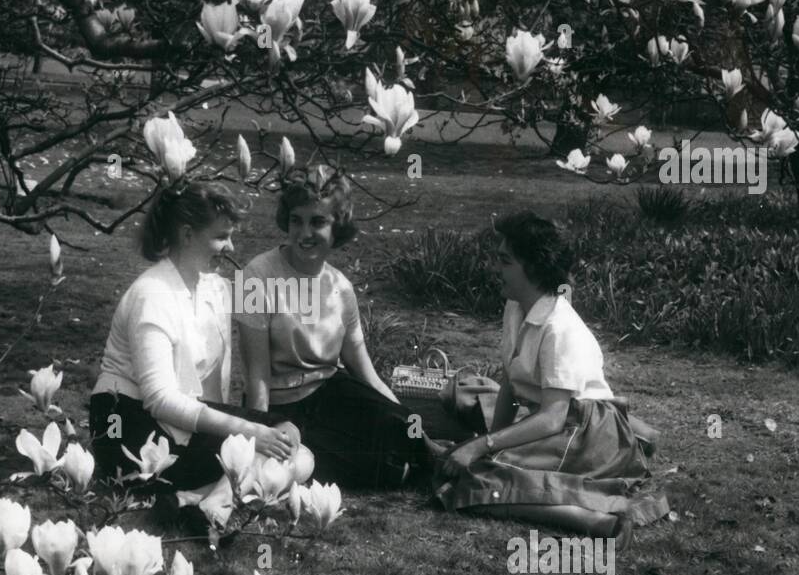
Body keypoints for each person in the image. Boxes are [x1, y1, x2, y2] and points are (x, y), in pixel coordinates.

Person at [431, 211, 669, 547]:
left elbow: (554, 417)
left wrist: (481, 448)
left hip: (587, 431)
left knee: (478, 476)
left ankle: (597, 521)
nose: (494, 268)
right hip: (561, 423)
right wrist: (489, 440)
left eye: (504, 261)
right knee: (471, 464)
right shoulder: (516, 307)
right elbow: (511, 382)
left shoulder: (559, 327)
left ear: (533, 267)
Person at [89, 181, 300, 500]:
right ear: (187, 235)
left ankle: (199, 500)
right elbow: (160, 399)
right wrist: (249, 430)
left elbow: (267, 302)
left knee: (291, 438)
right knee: (285, 456)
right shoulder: (152, 295)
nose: (230, 247)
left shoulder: (212, 287)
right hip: (131, 426)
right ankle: (215, 503)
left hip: (180, 420)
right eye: (221, 237)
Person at [236, 166, 425, 490]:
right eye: (297, 220)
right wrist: (260, 434)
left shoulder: (341, 287)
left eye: (318, 222)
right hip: (283, 405)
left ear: (337, 225)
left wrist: (407, 419)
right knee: (386, 471)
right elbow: (257, 377)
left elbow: (365, 372)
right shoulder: (256, 276)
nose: (304, 233)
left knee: (407, 431)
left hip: (331, 395)